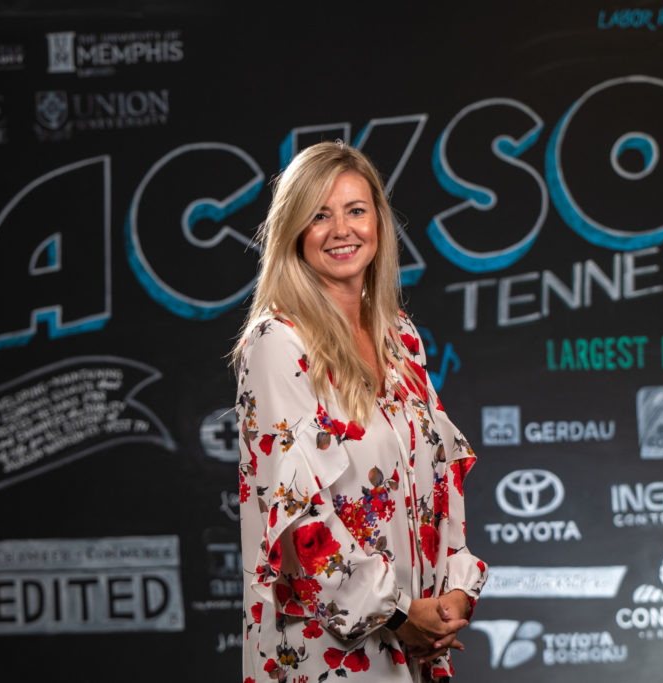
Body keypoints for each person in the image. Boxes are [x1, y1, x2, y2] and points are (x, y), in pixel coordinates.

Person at [233, 141, 487, 682]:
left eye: (355, 210)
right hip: (326, 652)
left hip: (416, 641)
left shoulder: (399, 337)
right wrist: (395, 613)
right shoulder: (277, 343)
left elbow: (439, 479)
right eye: (319, 215)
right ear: (294, 231)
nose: (341, 230)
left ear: (378, 222)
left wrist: (457, 589)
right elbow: (299, 518)